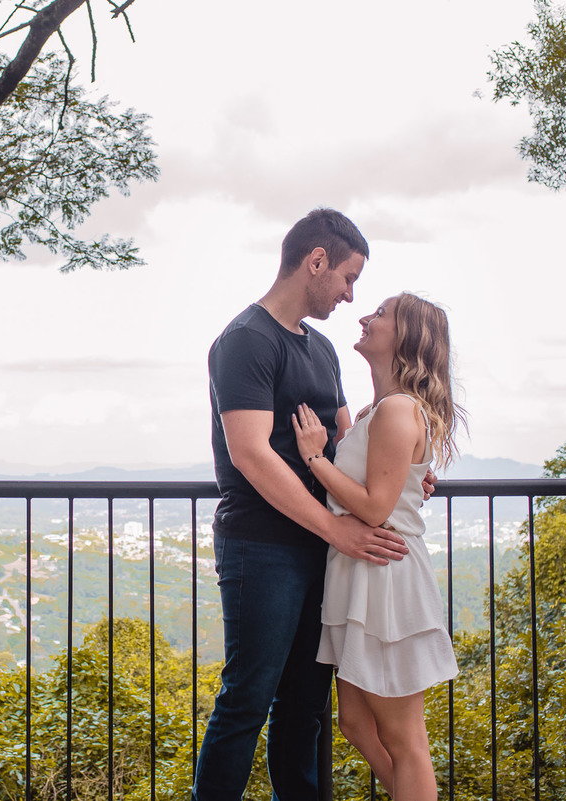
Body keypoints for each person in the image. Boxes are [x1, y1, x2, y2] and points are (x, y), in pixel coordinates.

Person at [193, 208, 415, 801]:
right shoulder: (245, 341)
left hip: (321, 547)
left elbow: (346, 444)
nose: (350, 295)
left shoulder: (320, 349)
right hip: (262, 546)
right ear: (316, 261)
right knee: (247, 698)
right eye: (348, 277)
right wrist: (336, 530)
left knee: (305, 706)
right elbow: (250, 454)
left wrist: (407, 475)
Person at [293, 292, 465, 801]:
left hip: (386, 577)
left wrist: (314, 458)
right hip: (360, 570)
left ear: (407, 336)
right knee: (356, 724)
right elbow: (390, 482)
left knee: (405, 738)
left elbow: (374, 507)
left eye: (381, 314)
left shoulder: (396, 410)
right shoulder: (378, 410)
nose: (366, 317)